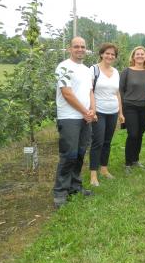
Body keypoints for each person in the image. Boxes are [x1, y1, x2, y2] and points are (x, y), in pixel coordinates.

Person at [53, 36, 95, 209]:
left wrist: (92, 111)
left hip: (85, 118)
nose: (80, 49)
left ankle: (75, 187)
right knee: (68, 155)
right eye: (76, 46)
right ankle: (60, 193)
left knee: (80, 154)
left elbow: (90, 92)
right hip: (69, 117)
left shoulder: (87, 70)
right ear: (69, 49)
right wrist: (85, 111)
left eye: (82, 46)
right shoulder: (63, 67)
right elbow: (67, 93)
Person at [89, 43, 125, 186]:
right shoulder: (94, 69)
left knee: (107, 142)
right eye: (107, 53)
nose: (110, 56)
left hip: (113, 112)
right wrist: (93, 110)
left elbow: (117, 93)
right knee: (97, 142)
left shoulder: (116, 72)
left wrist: (121, 112)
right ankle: (93, 174)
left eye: (112, 54)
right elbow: (89, 91)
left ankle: (104, 169)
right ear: (101, 54)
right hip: (99, 111)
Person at [120, 46, 145, 173]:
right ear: (133, 57)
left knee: (139, 134)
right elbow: (120, 90)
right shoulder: (126, 71)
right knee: (132, 134)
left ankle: (135, 160)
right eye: (137, 54)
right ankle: (128, 163)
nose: (140, 56)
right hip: (130, 106)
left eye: (142, 54)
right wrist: (121, 109)